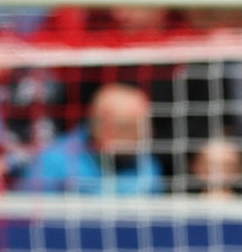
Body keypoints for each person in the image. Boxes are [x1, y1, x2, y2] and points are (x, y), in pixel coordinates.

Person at [19, 82, 165, 195]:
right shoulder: (53, 164)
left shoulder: (147, 165)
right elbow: (26, 226)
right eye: (138, 128)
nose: (149, 135)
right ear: (110, 131)